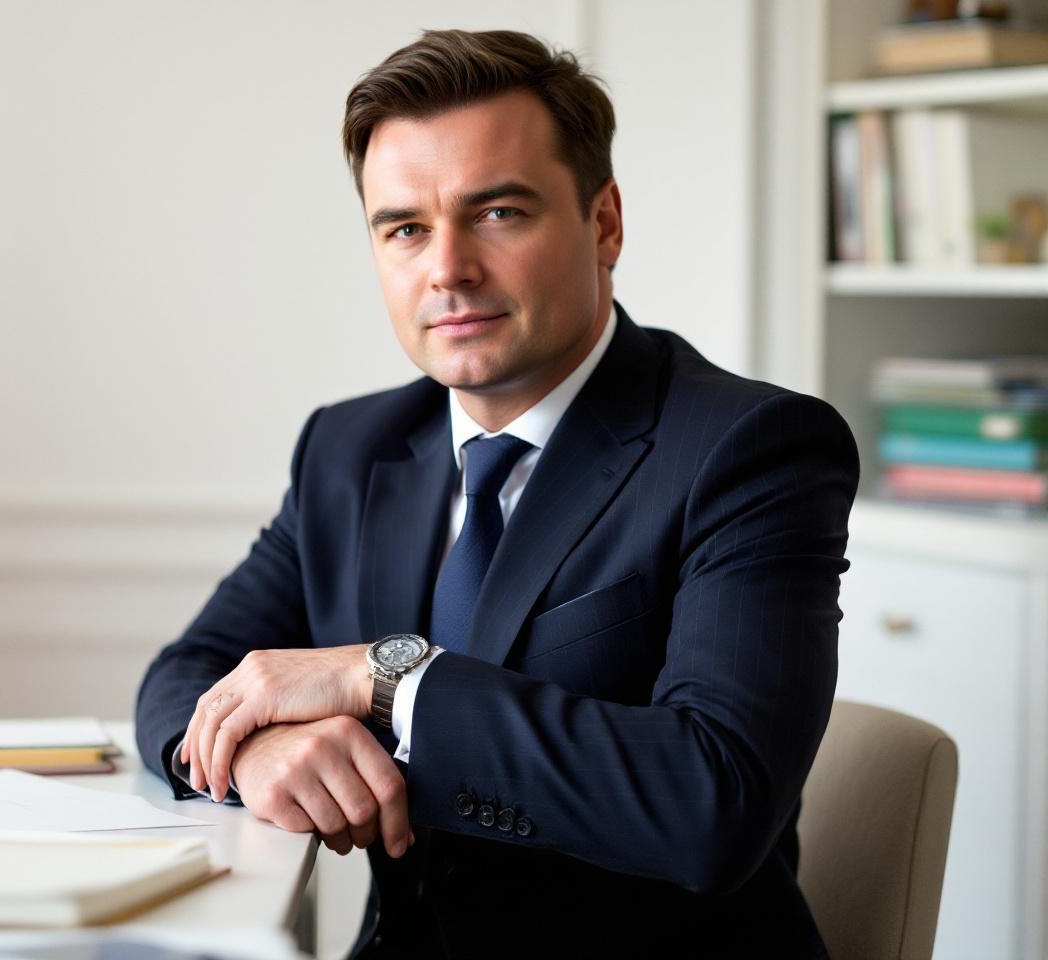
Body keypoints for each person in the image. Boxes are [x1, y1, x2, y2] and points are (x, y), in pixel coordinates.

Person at [135, 28, 857, 958]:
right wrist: (254, 748)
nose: (448, 269)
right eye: (405, 228)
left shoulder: (749, 449)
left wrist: (383, 678)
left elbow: (713, 800)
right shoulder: (348, 450)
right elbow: (187, 675)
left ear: (604, 223)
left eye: (499, 212)